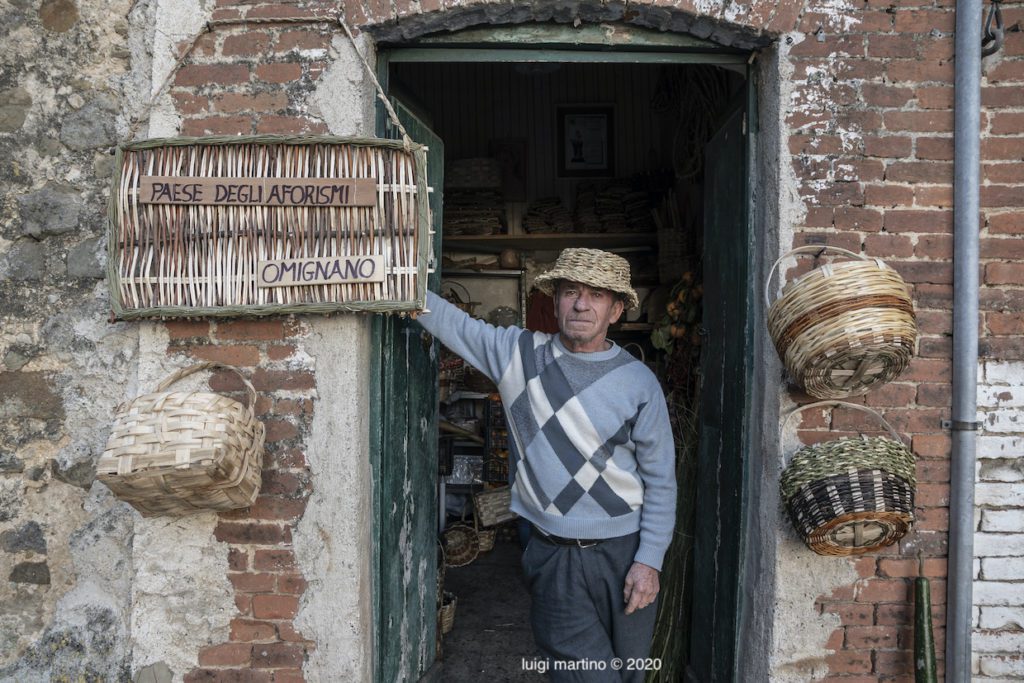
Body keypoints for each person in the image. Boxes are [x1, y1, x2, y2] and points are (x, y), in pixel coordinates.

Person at [417, 248, 676, 682]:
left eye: (596, 295)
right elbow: (451, 322)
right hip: (553, 552)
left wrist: (649, 561)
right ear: (553, 301)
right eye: (571, 291)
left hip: (626, 552)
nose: (581, 304)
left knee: (632, 672)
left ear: (615, 310)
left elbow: (661, 481)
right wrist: (391, 281)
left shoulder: (639, 382)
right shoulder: (516, 354)